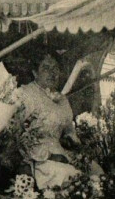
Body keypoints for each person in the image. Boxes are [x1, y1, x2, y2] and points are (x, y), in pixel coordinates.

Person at [14, 55, 84, 190]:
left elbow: (69, 131)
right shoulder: (25, 94)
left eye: (55, 68)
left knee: (95, 171)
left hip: (62, 155)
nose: (52, 73)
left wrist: (79, 149)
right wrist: (47, 155)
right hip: (37, 160)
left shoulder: (62, 99)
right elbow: (16, 133)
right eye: (46, 68)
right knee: (68, 176)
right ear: (35, 72)